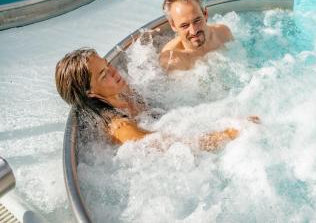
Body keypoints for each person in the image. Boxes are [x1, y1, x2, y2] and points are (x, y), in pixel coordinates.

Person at [55, 48, 242, 150]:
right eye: (104, 75)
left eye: (107, 65)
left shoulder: (119, 91)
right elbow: (177, 148)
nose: (114, 71)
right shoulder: (120, 127)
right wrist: (227, 135)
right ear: (91, 93)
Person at [159, 0, 233, 71]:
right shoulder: (172, 59)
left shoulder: (223, 33)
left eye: (197, 21)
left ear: (205, 14)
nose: (194, 31)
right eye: (184, 25)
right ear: (173, 25)